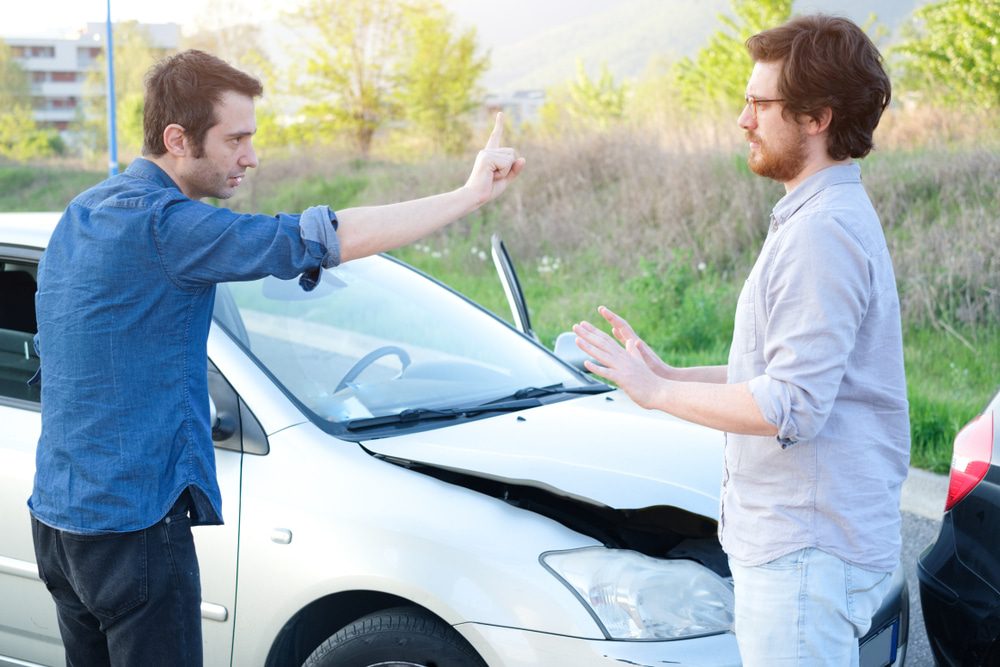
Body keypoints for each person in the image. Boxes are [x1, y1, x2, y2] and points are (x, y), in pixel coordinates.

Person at [28, 49, 524, 666]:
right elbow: (320, 238)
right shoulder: (167, 226)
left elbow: (61, 355)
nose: (251, 156)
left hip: (58, 523)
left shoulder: (81, 215)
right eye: (235, 138)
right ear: (178, 138)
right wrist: (470, 194)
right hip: (133, 531)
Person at [573, 15, 908, 667]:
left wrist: (658, 391)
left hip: (804, 555)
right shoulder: (818, 216)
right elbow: (779, 372)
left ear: (817, 117)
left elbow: (789, 405)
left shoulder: (821, 235)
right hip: (807, 548)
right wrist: (672, 371)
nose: (742, 119)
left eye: (759, 103)